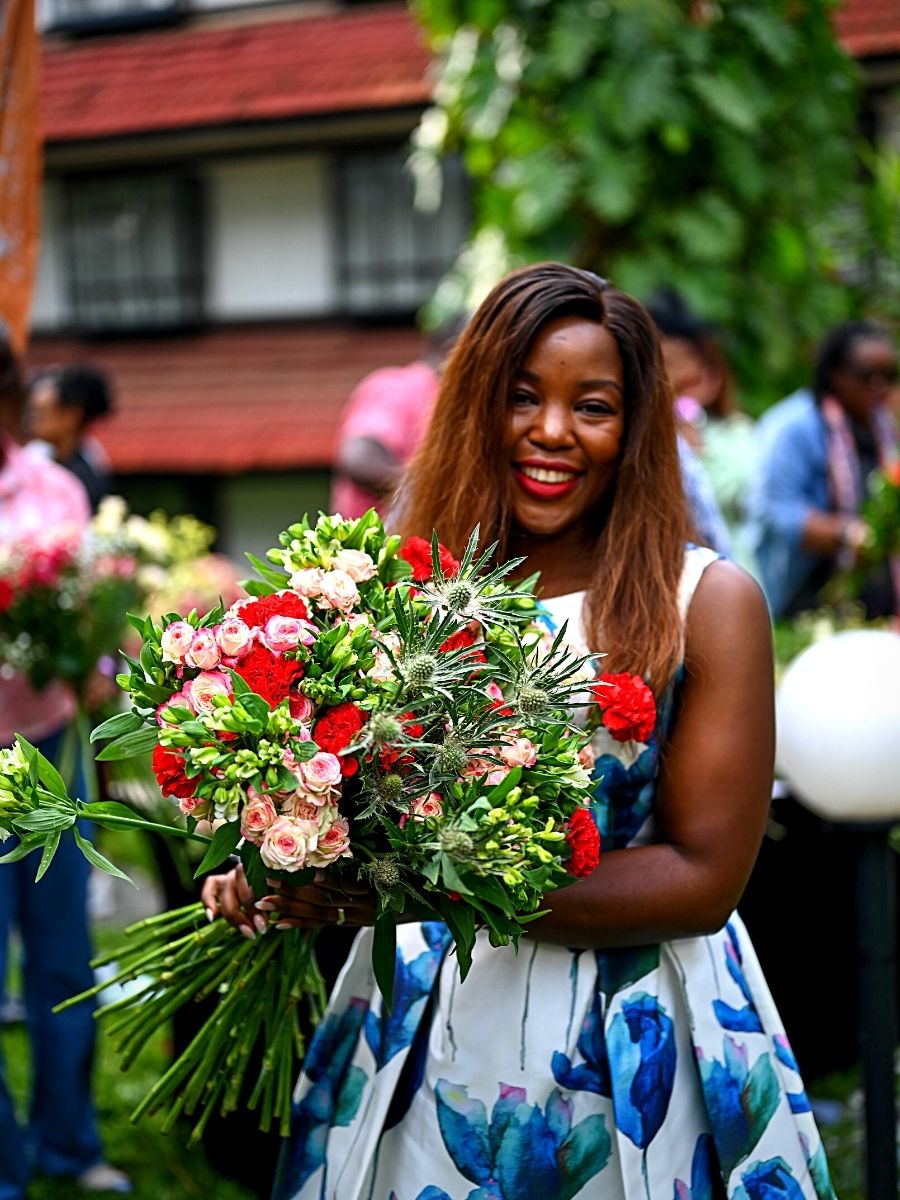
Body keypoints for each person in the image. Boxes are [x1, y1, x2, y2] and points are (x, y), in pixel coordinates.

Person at [203, 264, 833, 1198]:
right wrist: (277, 859)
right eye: (522, 396)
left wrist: (406, 898)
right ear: (475, 406)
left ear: (636, 429)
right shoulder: (403, 587)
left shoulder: (708, 602)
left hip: (634, 1028)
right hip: (426, 1013)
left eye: (594, 406)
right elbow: (358, 793)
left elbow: (703, 881)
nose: (550, 430)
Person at [0, 331, 130, 1198]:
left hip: (43, 748)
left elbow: (92, 603)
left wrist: (99, 662)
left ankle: (67, 1142)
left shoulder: (49, 483)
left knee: (62, 960)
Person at [746, 319, 898, 619]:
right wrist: (846, 534)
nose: (878, 388)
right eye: (867, 376)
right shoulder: (794, 427)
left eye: (889, 377)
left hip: (872, 600)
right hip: (803, 596)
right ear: (835, 373)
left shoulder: (883, 426)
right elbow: (775, 511)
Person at [647, 290, 756, 571]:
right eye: (668, 364)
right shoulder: (652, 441)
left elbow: (742, 489)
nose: (683, 374)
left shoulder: (736, 431)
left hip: (736, 571)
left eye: (690, 361)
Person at [330, 318, 466, 519]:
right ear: (453, 348)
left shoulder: (451, 399)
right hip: (376, 544)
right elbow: (360, 459)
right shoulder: (399, 387)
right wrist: (435, 490)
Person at [27, 364, 115, 512]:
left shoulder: (88, 473)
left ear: (72, 415)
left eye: (40, 414)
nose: (31, 422)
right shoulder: (34, 458)